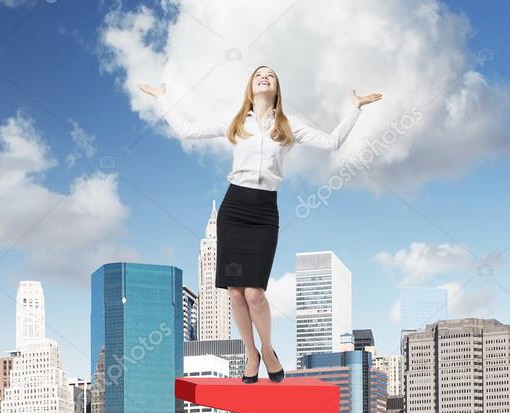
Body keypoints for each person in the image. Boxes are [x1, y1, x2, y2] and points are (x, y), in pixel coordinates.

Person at [140, 66, 382, 382]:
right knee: (236, 294)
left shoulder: (288, 126)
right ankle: (250, 353)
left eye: (270, 74)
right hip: (234, 208)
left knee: (255, 293)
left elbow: (333, 142)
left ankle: (267, 350)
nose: (264, 77)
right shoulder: (237, 121)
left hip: (265, 211)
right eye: (258, 75)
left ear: (277, 87)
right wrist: (162, 98)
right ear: (250, 87)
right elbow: (186, 130)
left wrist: (355, 107)